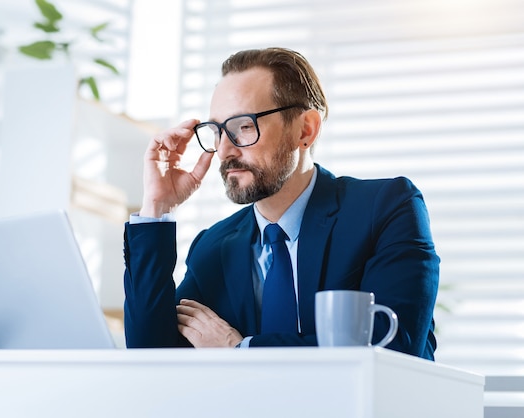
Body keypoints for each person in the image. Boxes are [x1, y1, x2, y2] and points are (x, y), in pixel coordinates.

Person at [122, 47, 439, 359]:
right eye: (218, 131)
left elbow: (393, 348)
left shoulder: (385, 210)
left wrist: (240, 350)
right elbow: (154, 356)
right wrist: (157, 206)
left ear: (305, 130)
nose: (224, 151)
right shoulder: (214, 247)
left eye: (243, 126)